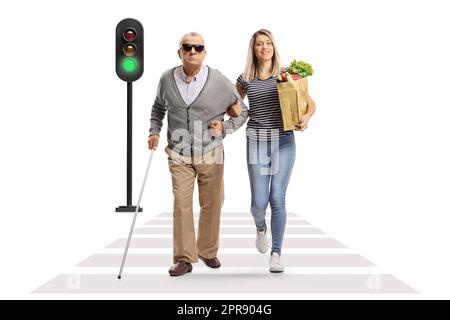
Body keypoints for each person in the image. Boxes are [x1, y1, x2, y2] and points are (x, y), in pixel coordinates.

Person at [148, 32, 248, 276]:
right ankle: (184, 258)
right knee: (181, 204)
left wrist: (225, 127)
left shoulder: (219, 81)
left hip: (211, 152)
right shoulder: (166, 79)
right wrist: (154, 132)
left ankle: (208, 251)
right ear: (179, 52)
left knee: (212, 203)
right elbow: (158, 107)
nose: (192, 51)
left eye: (198, 47)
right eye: (187, 47)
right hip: (179, 153)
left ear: (204, 53)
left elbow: (242, 112)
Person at [236, 29, 316, 273]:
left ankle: (276, 253)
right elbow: (234, 106)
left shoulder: (286, 75)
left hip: (283, 141)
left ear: (274, 47)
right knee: (259, 202)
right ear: (254, 49)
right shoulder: (244, 78)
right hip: (257, 141)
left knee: (277, 197)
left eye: (268, 43)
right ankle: (261, 227)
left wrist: (306, 118)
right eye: (259, 44)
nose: (264, 47)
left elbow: (310, 103)